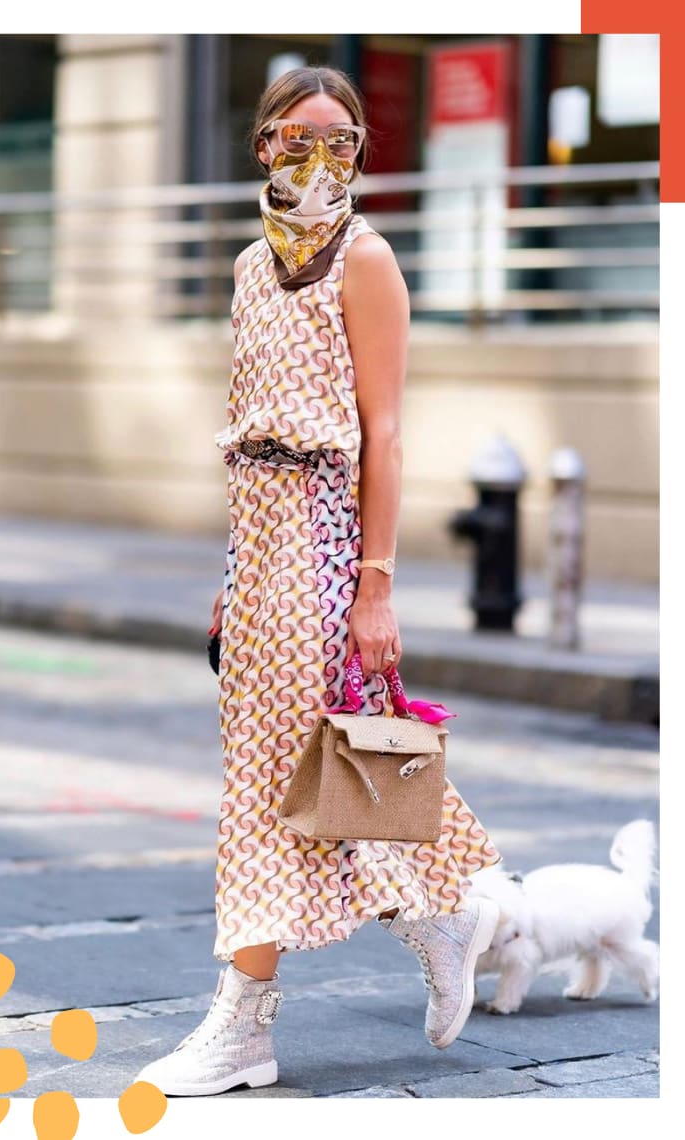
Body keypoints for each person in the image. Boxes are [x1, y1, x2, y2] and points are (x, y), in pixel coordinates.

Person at [136, 65, 501, 1097]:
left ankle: (243, 1020)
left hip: (326, 532)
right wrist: (231, 568)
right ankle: (444, 906)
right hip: (260, 540)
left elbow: (384, 433)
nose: (320, 159)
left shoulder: (368, 260)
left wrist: (375, 581)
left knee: (271, 774)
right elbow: (249, 433)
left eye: (342, 142)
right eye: (301, 138)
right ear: (263, 148)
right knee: (305, 756)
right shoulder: (254, 266)